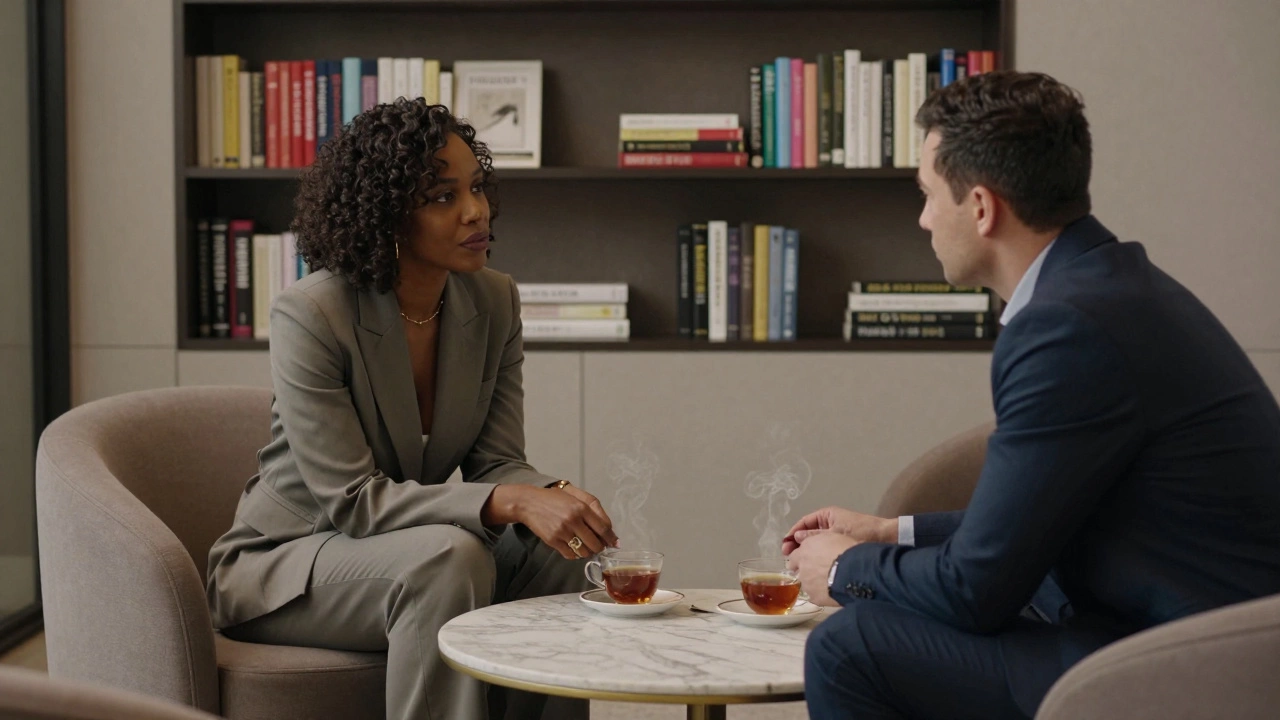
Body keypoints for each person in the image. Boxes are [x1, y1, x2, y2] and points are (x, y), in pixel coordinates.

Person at [784, 71, 1280, 720]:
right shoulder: (1108, 286)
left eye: (930, 196)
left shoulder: (1066, 327)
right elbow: (1036, 522)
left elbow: (976, 589)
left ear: (983, 208)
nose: (924, 219)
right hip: (1169, 623)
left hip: (1191, 665)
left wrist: (849, 568)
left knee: (849, 646)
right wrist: (888, 532)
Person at [205, 98, 617, 720]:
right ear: (386, 214)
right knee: (448, 558)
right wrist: (512, 501)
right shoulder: (312, 313)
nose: (476, 211)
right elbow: (353, 499)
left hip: (409, 547)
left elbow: (497, 462)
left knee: (560, 550)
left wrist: (553, 495)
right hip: (290, 563)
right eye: (442, 197)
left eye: (475, 187)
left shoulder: (494, 300)